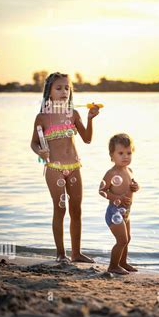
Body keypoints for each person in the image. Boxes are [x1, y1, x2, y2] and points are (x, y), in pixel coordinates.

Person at [30, 72, 100, 263]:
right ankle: (61, 254)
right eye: (59, 88)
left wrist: (90, 119)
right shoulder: (42, 118)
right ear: (49, 92)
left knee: (76, 210)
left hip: (74, 166)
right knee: (60, 209)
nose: (64, 92)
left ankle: (76, 253)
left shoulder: (73, 114)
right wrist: (40, 152)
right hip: (54, 168)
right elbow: (34, 143)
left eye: (67, 88)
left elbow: (87, 139)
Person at [99, 133, 140, 274]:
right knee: (121, 240)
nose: (125, 156)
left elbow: (131, 186)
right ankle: (113, 266)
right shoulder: (111, 173)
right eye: (121, 153)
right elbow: (102, 191)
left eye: (129, 153)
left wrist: (135, 187)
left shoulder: (129, 171)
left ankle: (123, 262)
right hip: (114, 212)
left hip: (126, 213)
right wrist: (118, 198)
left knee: (127, 239)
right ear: (112, 156)